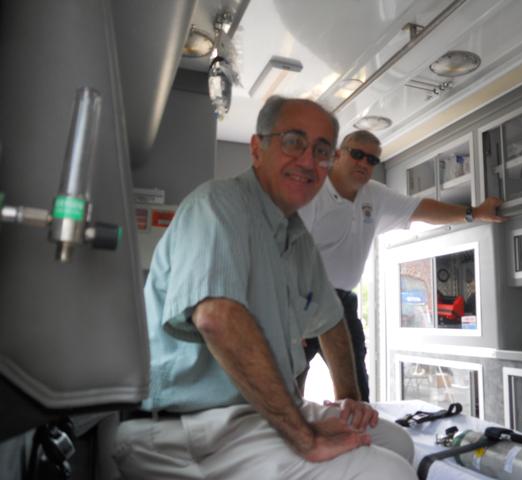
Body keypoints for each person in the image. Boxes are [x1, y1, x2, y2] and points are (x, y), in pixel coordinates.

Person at [112, 98, 416, 479]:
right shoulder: (218, 205)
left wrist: (350, 401)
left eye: (321, 151)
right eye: (293, 142)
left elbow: (331, 320)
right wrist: (306, 438)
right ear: (258, 149)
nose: (308, 161)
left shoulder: (296, 237)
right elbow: (217, 318)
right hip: (190, 427)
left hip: (257, 414)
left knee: (398, 443)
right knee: (386, 473)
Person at [299, 129, 505, 402]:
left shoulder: (375, 195)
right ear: (337, 155)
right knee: (283, 395)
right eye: (357, 154)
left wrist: (474, 213)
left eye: (372, 160)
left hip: (340, 306)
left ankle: (353, 441)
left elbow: (421, 209)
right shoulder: (310, 193)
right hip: (299, 299)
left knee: (355, 398)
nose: (364, 163)